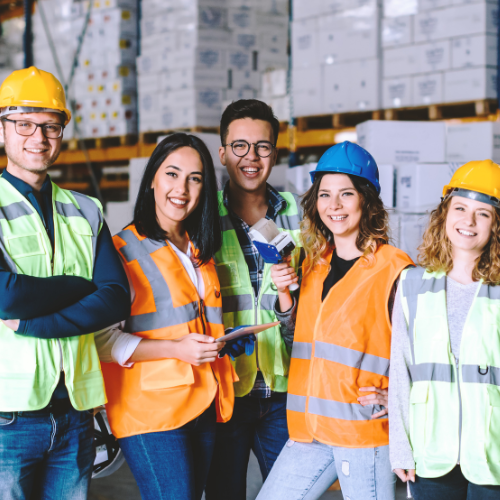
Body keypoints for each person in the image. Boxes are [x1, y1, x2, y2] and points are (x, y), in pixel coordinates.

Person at [95, 133, 252, 500]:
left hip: (203, 401)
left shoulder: (201, 253)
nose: (181, 188)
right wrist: (176, 349)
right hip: (150, 411)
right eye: (172, 174)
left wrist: (225, 338)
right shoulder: (121, 250)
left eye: (195, 178)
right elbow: (101, 341)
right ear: (152, 179)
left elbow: (186, 321)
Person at [256, 141, 414, 500]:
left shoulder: (395, 269)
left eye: (346, 194)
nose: (334, 205)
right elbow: (297, 338)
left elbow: (425, 351)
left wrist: (401, 398)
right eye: (325, 195)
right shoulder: (313, 263)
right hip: (308, 429)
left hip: (362, 434)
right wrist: (284, 296)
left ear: (367, 200)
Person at [0, 67, 131, 499]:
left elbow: (115, 299)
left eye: (50, 127)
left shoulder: (86, 209)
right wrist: (80, 284)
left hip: (76, 410)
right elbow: (7, 295)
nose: (38, 137)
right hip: (8, 414)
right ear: (2, 129)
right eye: (24, 124)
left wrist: (33, 321)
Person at [205, 99, 303, 500]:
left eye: (262, 147)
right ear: (223, 152)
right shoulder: (203, 215)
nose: (251, 157)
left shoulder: (300, 214)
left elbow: (314, 303)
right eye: (240, 146)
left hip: (283, 391)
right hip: (225, 391)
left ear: (274, 154)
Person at [389, 160, 500, 500]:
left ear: (496, 226)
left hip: (491, 454)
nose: (468, 221)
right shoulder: (412, 283)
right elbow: (400, 371)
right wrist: (400, 448)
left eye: (483, 213)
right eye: (460, 208)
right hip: (430, 452)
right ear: (444, 214)